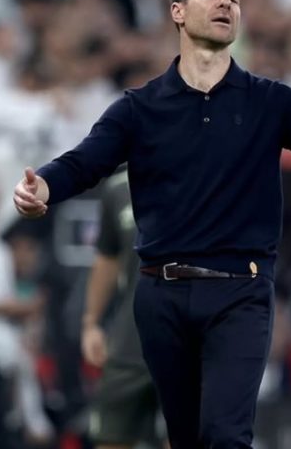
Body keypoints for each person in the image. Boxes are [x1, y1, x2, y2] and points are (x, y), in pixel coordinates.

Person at [12, 0, 291, 449]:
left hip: (241, 292)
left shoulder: (271, 101)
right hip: (161, 294)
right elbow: (85, 161)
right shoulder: (139, 107)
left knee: (225, 436)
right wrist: (41, 188)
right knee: (189, 438)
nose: (226, 4)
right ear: (177, 10)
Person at [83, 168, 162, 449]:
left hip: (187, 340)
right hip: (129, 338)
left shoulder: (206, 176)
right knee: (111, 438)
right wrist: (91, 323)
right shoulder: (117, 187)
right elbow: (107, 257)